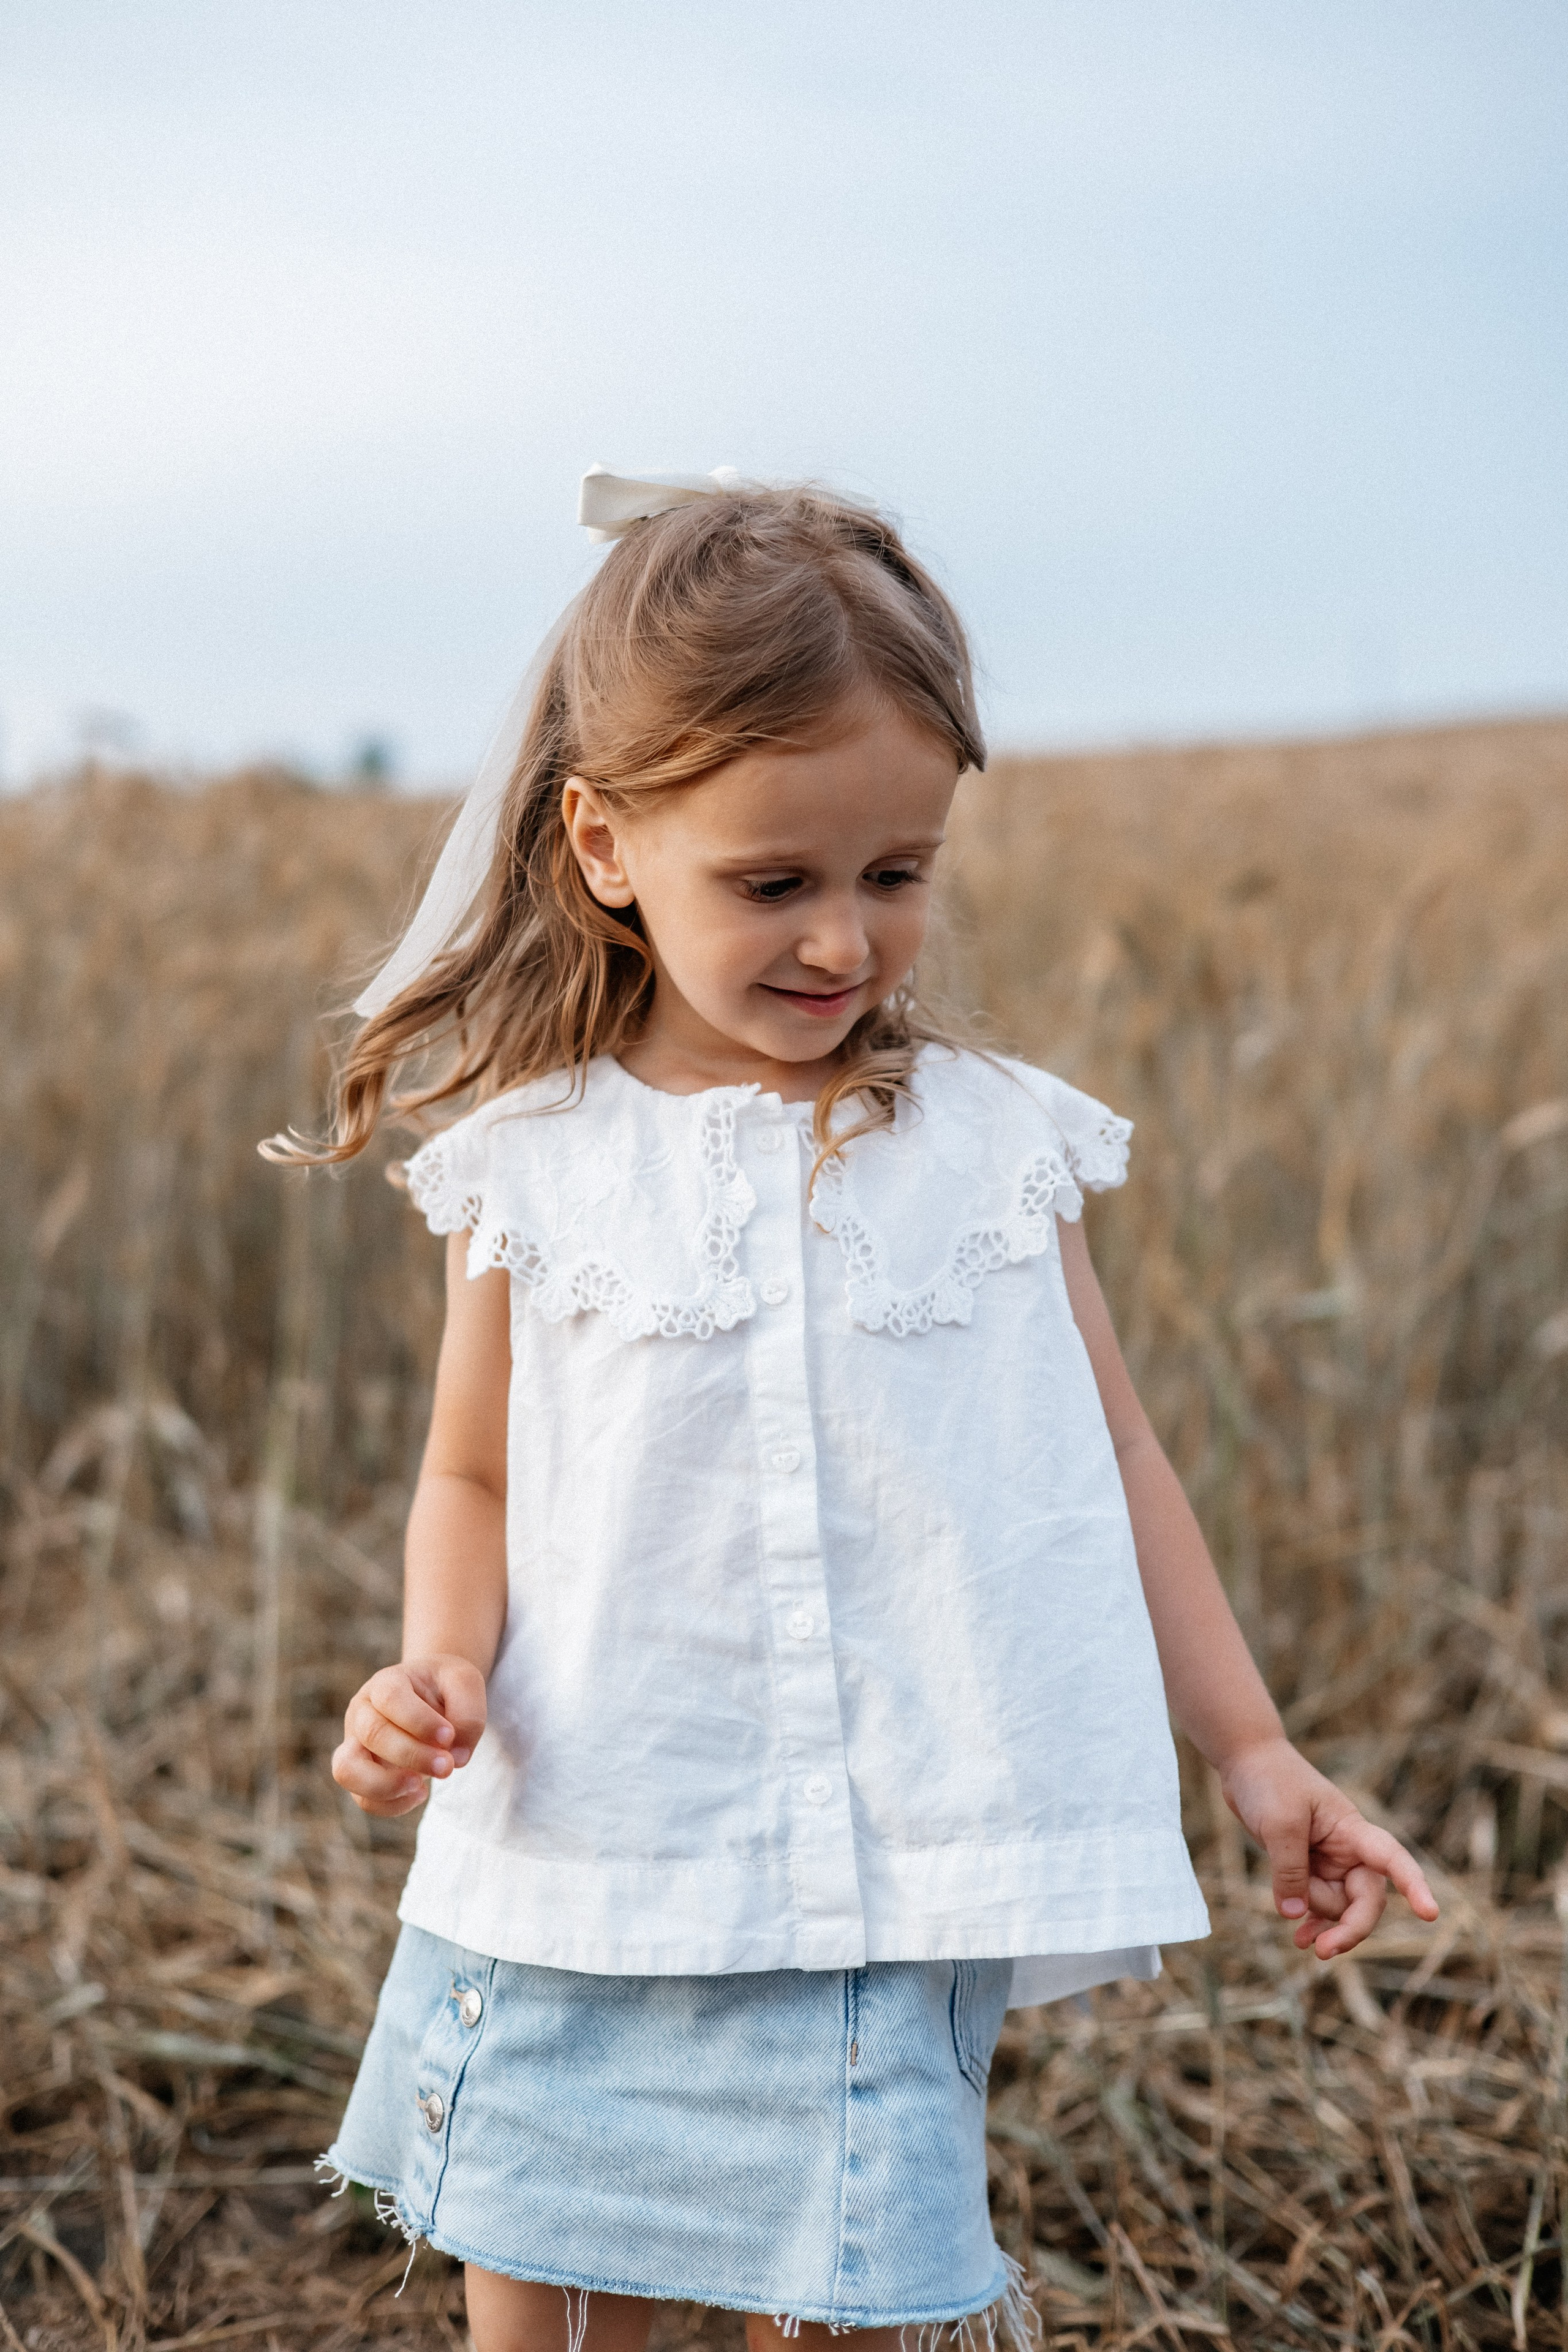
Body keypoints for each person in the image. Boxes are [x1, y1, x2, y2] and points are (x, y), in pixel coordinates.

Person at [275, 469, 1438, 2352]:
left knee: (840, 2305)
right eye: (774, 883)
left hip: (892, 1863)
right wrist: (436, 1664)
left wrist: (1256, 1755)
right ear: (599, 845)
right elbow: (472, 1469)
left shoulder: (992, 1149)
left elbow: (1114, 1459)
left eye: (897, 874)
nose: (844, 939)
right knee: (547, 2300)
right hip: (597, 1844)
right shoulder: (537, 1166)